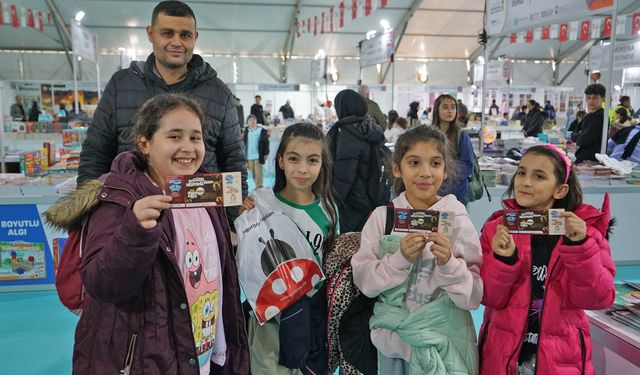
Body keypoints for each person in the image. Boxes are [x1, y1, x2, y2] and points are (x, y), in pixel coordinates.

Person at [49, 94, 249, 374]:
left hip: (198, 352)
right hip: (146, 359)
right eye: (174, 136)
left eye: (195, 137)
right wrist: (134, 232)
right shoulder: (119, 198)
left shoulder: (204, 192)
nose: (188, 148)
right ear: (144, 143)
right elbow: (100, 283)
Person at [78, 0, 247, 201]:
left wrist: (230, 223)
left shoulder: (219, 93)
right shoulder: (121, 85)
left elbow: (234, 162)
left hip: (200, 217)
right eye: (167, 33)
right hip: (130, 216)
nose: (177, 42)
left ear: (195, 37)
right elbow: (95, 154)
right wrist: (92, 213)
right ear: (150, 34)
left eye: (185, 35)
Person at [351, 125, 482, 374]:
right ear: (396, 168)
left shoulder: (456, 218)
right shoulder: (383, 218)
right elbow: (365, 282)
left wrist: (449, 265)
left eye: (435, 163)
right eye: (414, 163)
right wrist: (399, 259)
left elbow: (473, 296)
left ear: (445, 171)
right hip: (394, 344)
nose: (425, 173)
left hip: (445, 344)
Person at [479, 144, 614, 375]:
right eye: (521, 172)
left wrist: (579, 247)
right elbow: (488, 297)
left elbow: (598, 298)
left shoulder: (585, 234)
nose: (525, 182)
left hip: (561, 358)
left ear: (560, 190)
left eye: (539, 176)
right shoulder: (497, 230)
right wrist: (504, 260)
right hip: (502, 355)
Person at [239, 123, 339, 375]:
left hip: (310, 317)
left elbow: (329, 265)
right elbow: (247, 259)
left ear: (322, 164)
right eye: (294, 159)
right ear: (281, 160)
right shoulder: (260, 202)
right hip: (269, 318)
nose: (302, 169)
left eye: (312, 160)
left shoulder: (328, 210)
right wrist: (241, 218)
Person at [327, 89, 386, 233]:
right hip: (371, 196)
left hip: (351, 202)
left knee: (345, 246)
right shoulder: (370, 128)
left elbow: (344, 175)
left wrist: (331, 203)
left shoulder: (347, 133)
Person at [431, 94, 475, 205]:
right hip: (432, 192)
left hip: (456, 194)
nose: (450, 110)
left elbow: (467, 165)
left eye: (453, 107)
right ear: (437, 110)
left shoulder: (462, 135)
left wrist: (445, 171)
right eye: (445, 107)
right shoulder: (429, 135)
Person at [575, 84, 607, 164]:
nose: (591, 101)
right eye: (589, 98)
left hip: (591, 160)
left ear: (602, 98)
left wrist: (579, 136)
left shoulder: (601, 116)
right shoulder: (588, 116)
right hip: (583, 157)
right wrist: (579, 135)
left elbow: (584, 139)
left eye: (595, 98)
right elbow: (574, 134)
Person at [243, 114, 269, 189]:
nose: (252, 121)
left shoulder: (261, 130)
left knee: (258, 173)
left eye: (254, 120)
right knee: (253, 173)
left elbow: (266, 143)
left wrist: (266, 153)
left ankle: (259, 187)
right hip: (249, 156)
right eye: (250, 120)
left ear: (256, 121)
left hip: (258, 155)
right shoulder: (246, 132)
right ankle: (258, 186)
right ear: (247, 122)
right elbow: (244, 144)